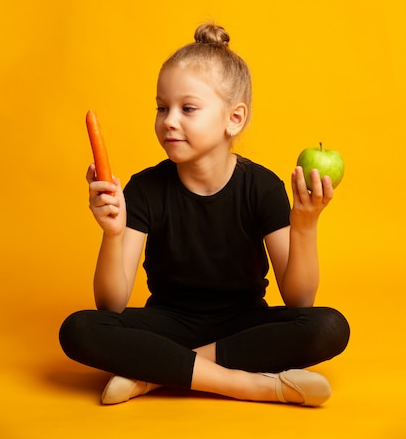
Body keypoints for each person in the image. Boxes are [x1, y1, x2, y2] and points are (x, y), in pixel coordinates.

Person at [59, 23, 350, 407]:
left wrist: (305, 226)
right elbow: (110, 305)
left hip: (243, 326)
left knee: (329, 326)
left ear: (234, 118)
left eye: (188, 108)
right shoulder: (144, 189)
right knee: (78, 329)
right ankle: (255, 386)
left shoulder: (261, 187)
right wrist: (112, 234)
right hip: (166, 324)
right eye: (162, 108)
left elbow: (299, 301)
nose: (169, 121)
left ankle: (155, 374)